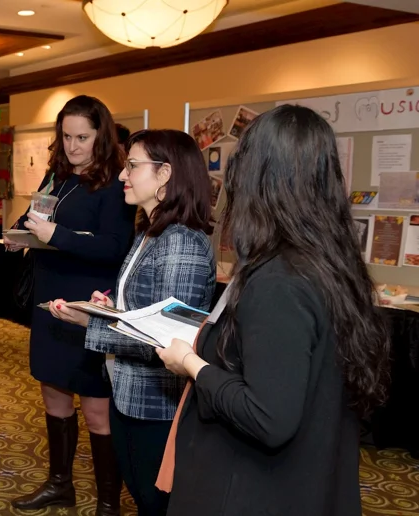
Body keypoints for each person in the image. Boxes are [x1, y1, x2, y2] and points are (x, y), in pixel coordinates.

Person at [154, 105, 391, 516]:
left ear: (256, 177)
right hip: (304, 480)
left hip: (253, 487)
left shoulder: (279, 281)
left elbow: (268, 417)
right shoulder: (332, 264)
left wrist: (191, 364)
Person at [48, 129, 216, 516]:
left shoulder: (180, 242)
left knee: (156, 504)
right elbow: (147, 312)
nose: (123, 175)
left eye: (133, 166)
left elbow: (170, 341)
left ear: (164, 175)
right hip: (131, 396)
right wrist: (108, 308)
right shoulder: (152, 230)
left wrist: (90, 325)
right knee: (144, 499)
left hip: (156, 405)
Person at [8, 95, 136, 514]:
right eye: (66, 136)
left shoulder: (115, 183)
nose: (74, 146)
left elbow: (114, 248)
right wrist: (16, 233)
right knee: (54, 398)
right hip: (50, 303)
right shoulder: (57, 175)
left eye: (83, 137)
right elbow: (34, 217)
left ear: (102, 136)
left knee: (97, 412)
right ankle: (60, 484)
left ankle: (106, 503)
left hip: (86, 309)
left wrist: (55, 236)